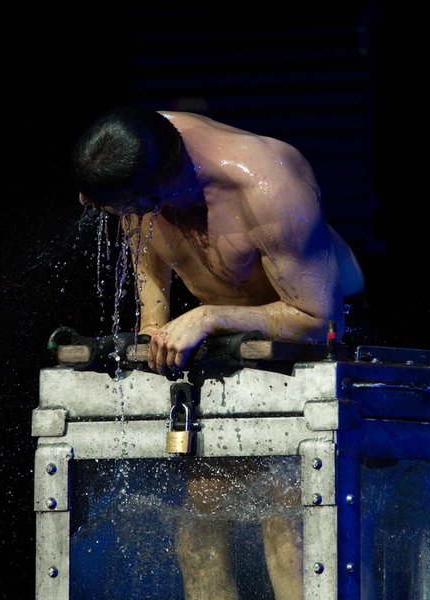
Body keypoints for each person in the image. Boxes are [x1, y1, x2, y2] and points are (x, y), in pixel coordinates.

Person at [71, 105, 372, 600]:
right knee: (200, 521)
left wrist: (209, 315)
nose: (110, 216)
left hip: (318, 336)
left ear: (152, 194)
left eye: (120, 209)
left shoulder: (267, 185)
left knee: (288, 518)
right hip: (232, 339)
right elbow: (149, 262)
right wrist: (154, 326)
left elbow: (321, 319)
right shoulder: (139, 147)